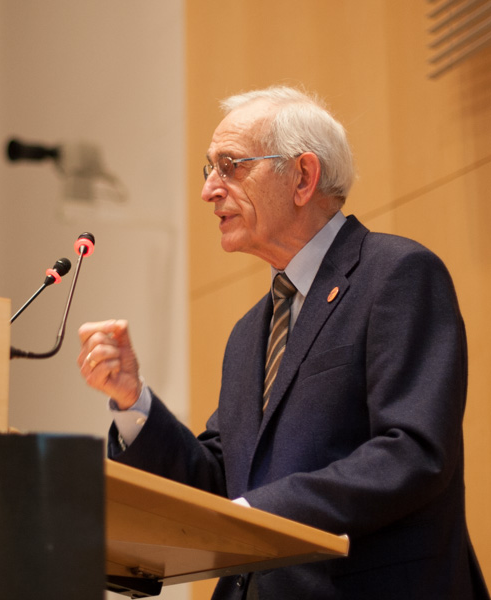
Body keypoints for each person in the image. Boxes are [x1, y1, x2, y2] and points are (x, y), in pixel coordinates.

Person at [77, 85, 490, 599]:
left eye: (230, 166)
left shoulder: (396, 275)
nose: (209, 190)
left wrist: (261, 514)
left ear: (302, 177)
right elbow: (222, 481)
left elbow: (413, 452)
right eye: (209, 169)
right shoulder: (249, 332)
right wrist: (133, 402)